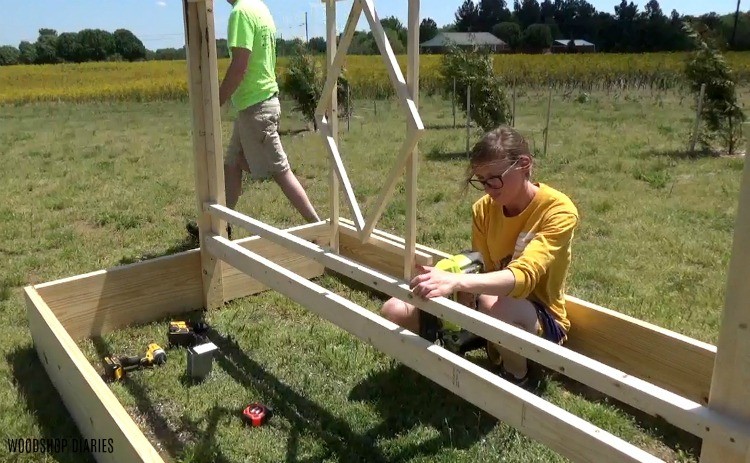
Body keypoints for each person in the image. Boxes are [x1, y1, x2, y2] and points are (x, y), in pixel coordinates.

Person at [380, 125, 579, 389]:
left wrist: (458, 283)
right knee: (394, 310)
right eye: (481, 181)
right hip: (489, 305)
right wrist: (459, 290)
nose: (488, 189)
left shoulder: (558, 210)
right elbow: (483, 265)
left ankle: (518, 376)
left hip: (539, 318)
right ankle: (442, 350)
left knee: (492, 303)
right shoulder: (484, 209)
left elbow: (523, 277)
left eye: (494, 178)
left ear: (523, 164)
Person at [188, 0, 320, 240]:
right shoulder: (259, 8)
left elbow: (240, 66)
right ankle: (220, 226)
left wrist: (214, 103)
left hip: (256, 109)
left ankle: (319, 228)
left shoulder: (240, 13)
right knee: (232, 164)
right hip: (256, 106)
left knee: (280, 171)